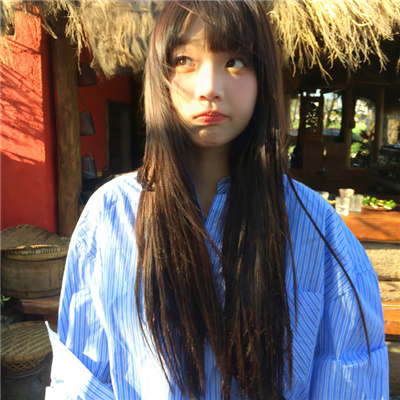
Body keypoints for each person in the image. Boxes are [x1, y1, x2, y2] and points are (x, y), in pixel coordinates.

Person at [46, 2, 389, 399]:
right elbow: (82, 381)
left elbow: (350, 379)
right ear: (160, 76)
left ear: (263, 78)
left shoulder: (319, 229)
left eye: (235, 62)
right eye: (184, 61)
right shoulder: (110, 215)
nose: (209, 87)